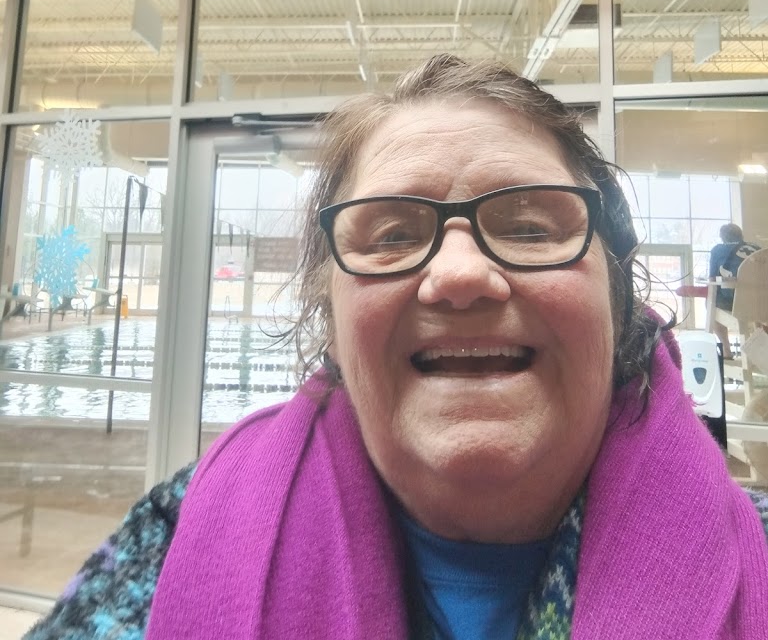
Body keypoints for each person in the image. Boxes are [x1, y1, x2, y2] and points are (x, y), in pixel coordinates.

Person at [26, 54, 768, 640]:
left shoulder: (754, 556)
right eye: (392, 237)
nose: (460, 275)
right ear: (331, 316)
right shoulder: (178, 538)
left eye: (529, 228)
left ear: (617, 290)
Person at [709, 223, 760, 360]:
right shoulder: (758, 249)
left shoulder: (718, 250)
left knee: (710, 303)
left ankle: (726, 350)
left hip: (736, 301)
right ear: (741, 235)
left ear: (723, 237)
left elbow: (712, 278)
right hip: (761, 302)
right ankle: (758, 350)